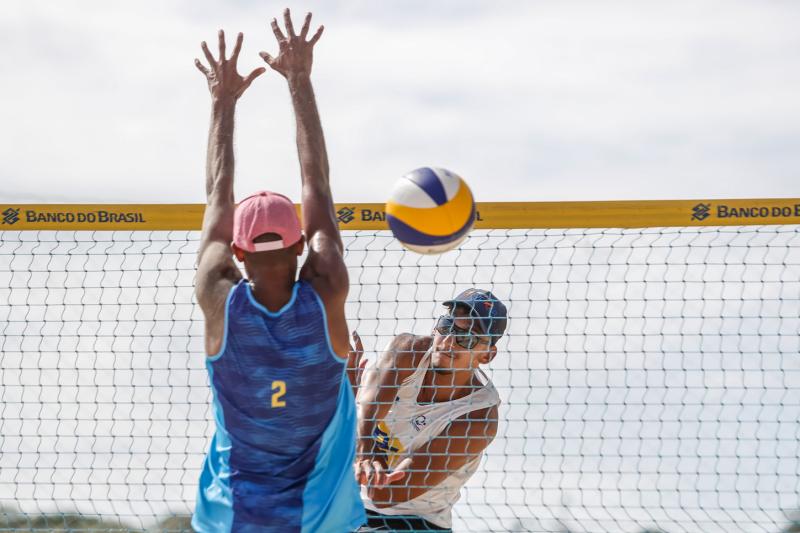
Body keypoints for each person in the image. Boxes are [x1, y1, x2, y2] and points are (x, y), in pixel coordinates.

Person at [191, 9, 365, 532]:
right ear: (300, 248)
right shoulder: (327, 285)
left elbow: (216, 194)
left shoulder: (218, 294)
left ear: (237, 254)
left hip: (229, 519)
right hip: (320, 521)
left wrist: (222, 104)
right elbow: (318, 186)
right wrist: (300, 81)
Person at [354, 289, 507, 532]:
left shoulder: (478, 419)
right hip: (350, 505)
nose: (448, 343)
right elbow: (362, 421)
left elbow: (384, 494)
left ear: (487, 355)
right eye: (446, 326)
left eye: (466, 338)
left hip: (415, 522)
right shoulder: (408, 351)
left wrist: (351, 414)